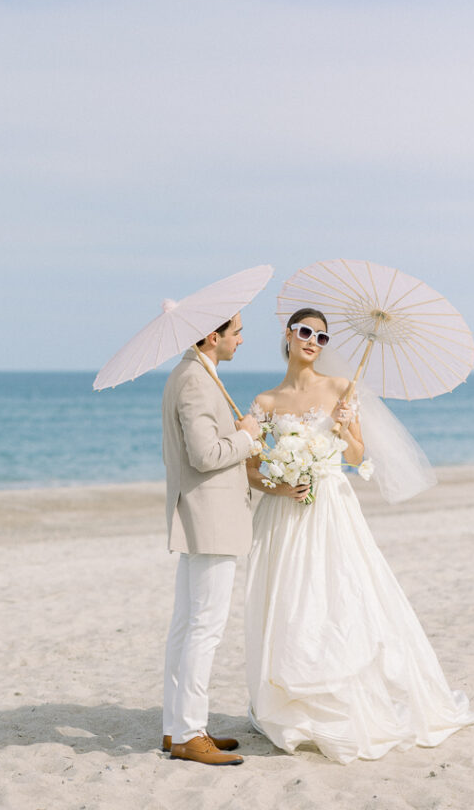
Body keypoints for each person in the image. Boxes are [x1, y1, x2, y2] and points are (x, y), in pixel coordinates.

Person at [244, 307, 474, 765]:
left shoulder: (341, 389)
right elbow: (252, 468)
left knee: (340, 595)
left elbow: (356, 454)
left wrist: (345, 424)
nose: (314, 341)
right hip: (283, 511)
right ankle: (293, 700)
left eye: (323, 337)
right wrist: (282, 484)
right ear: (288, 335)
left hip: (331, 504)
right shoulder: (267, 401)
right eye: (306, 332)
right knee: (288, 600)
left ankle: (341, 690)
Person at [162, 312, 262, 766]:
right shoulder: (195, 380)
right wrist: (246, 437)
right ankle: (188, 733)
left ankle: (176, 727)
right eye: (236, 332)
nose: (241, 339)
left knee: (187, 624)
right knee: (204, 627)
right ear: (212, 335)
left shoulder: (196, 374)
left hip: (204, 517)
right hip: (212, 518)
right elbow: (205, 455)